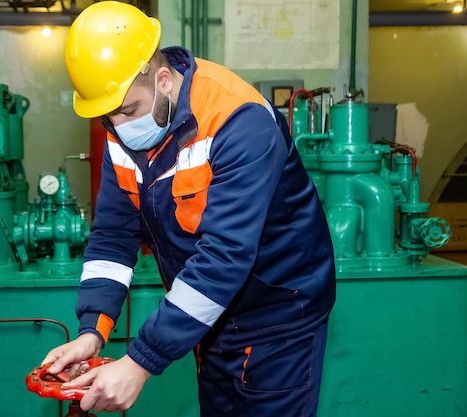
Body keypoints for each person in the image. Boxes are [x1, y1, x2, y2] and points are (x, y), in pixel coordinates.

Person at [42, 2, 336, 416]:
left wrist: (141, 362)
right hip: (208, 315)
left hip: (278, 316)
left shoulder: (239, 121)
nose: (120, 126)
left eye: (128, 110)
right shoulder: (121, 131)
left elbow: (226, 256)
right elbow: (113, 235)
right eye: (108, 118)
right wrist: (93, 329)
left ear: (163, 80)